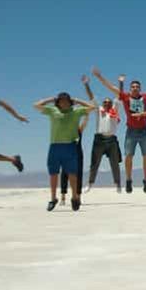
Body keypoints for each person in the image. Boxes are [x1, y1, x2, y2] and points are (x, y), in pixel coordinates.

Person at [92, 67, 146, 194]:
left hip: (144, 131)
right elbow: (111, 87)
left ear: (140, 88)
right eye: (132, 87)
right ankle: (128, 180)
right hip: (131, 131)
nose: (135, 88)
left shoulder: (145, 98)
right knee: (128, 156)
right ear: (130, 89)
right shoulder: (125, 97)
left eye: (137, 87)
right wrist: (100, 77)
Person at [34, 92, 96, 212]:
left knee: (72, 174)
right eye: (61, 100)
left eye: (66, 100)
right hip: (55, 146)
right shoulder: (52, 111)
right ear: (58, 102)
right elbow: (36, 105)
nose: (64, 102)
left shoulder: (76, 111)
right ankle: (53, 198)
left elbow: (92, 107)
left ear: (70, 101)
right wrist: (50, 98)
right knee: (53, 174)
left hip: (70, 147)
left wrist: (77, 100)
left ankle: (74, 197)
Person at [82, 75, 123, 194]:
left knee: (114, 163)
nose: (106, 104)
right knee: (94, 163)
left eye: (108, 102)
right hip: (99, 140)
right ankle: (90, 184)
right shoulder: (98, 110)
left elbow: (119, 95)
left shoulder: (114, 111)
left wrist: (120, 82)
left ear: (111, 104)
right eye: (105, 102)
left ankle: (118, 184)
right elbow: (91, 97)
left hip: (111, 140)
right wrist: (86, 84)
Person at [58, 76, 92, 205]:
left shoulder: (79, 129)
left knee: (78, 175)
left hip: (78, 154)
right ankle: (63, 197)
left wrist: (76, 101)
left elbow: (89, 109)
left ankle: (77, 196)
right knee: (64, 174)